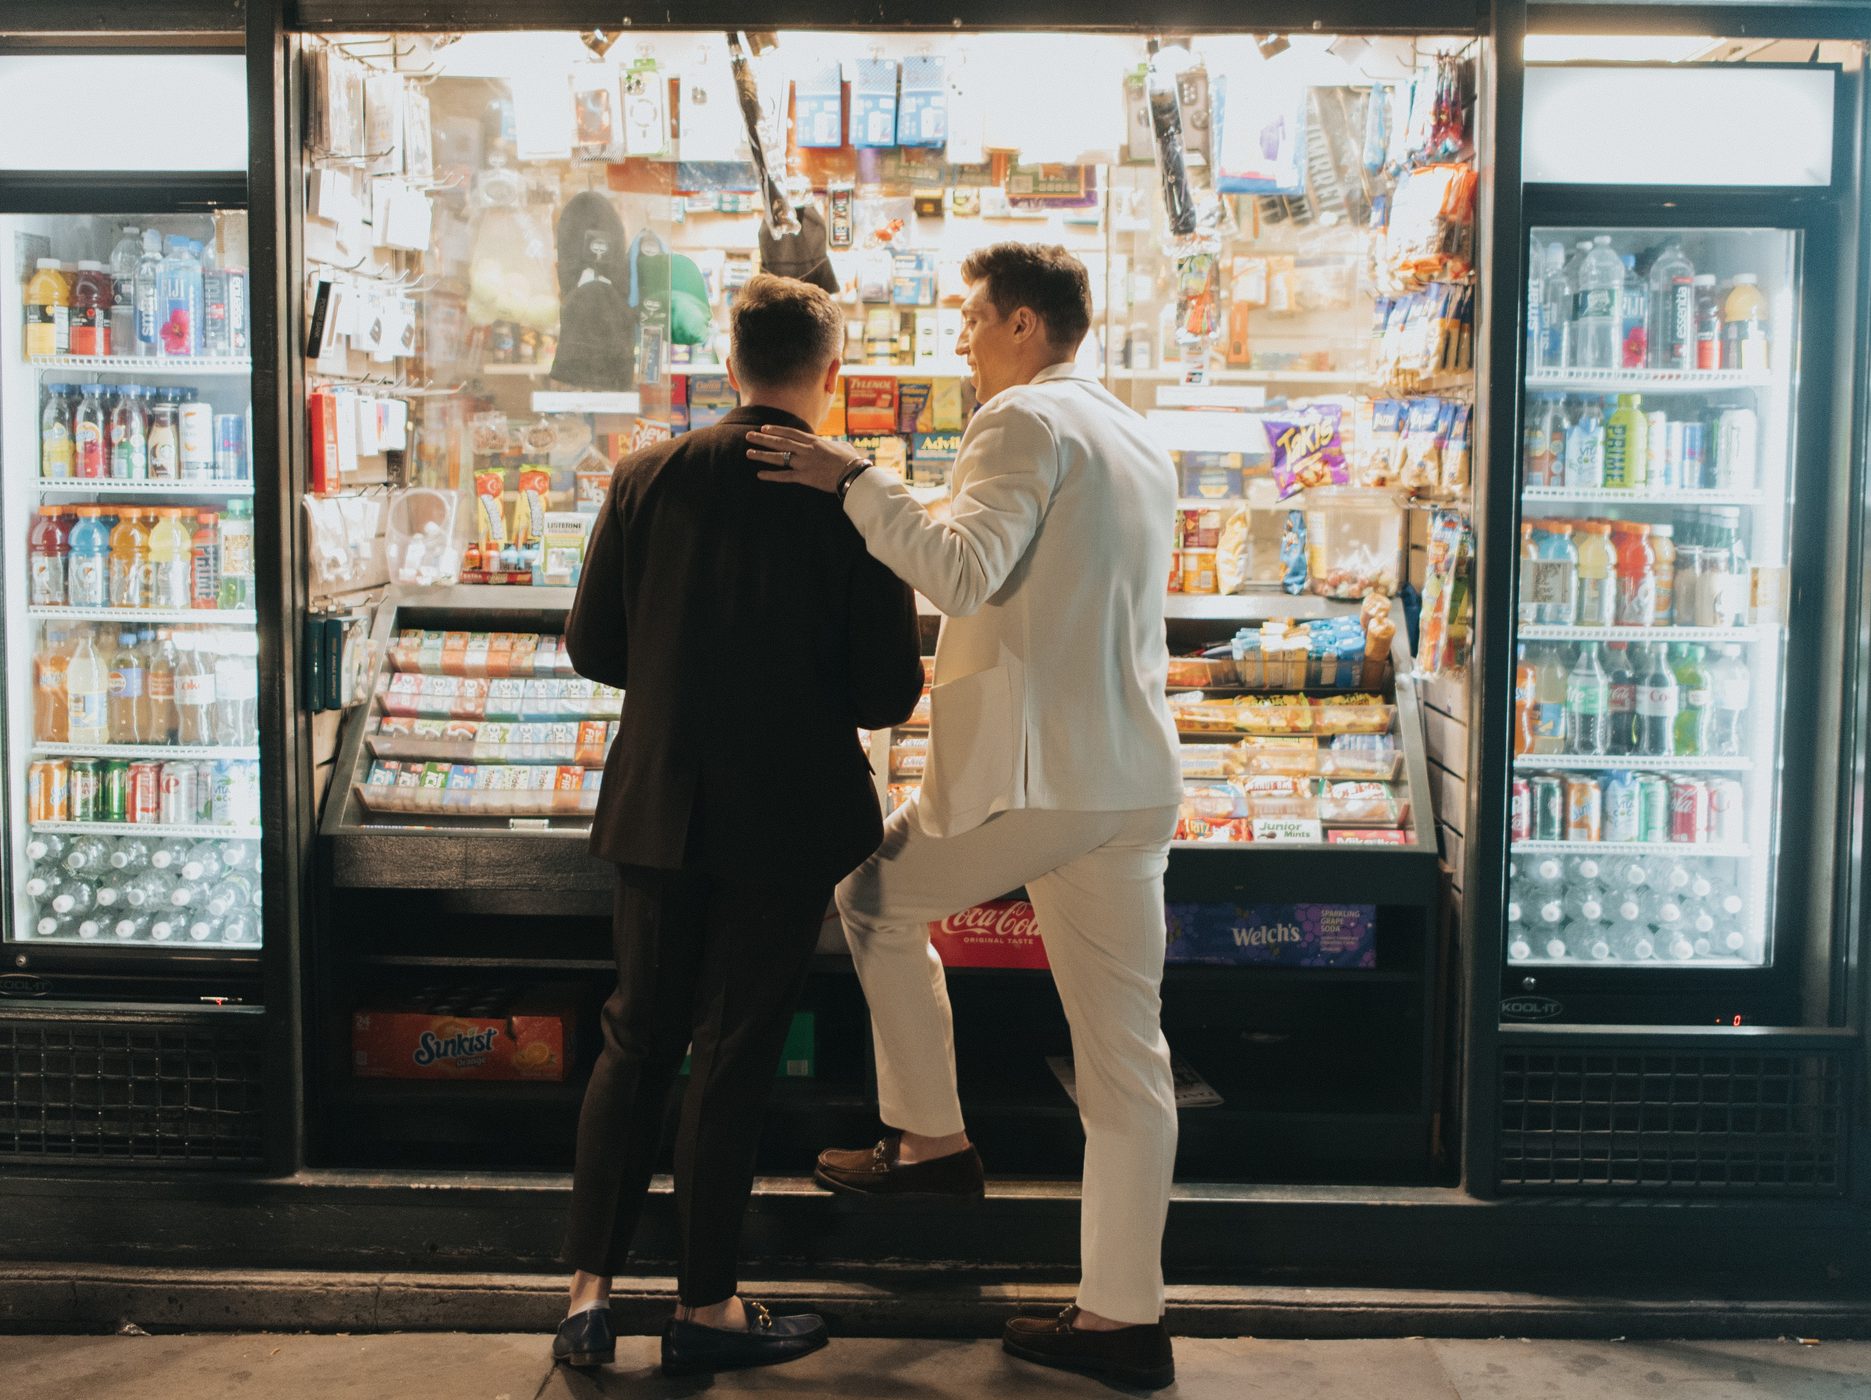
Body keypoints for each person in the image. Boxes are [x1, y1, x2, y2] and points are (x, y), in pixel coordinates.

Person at [747, 241, 1183, 1391]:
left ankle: (930, 1138)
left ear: (1029, 326)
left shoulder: (1023, 422)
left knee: (872, 896)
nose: (961, 339)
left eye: (974, 319)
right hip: (1130, 779)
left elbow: (959, 568)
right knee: (1128, 1063)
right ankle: (1119, 1319)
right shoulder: (1135, 434)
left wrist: (849, 477)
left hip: (1036, 780)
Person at [558, 273, 924, 1377]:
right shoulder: (854, 494)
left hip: (657, 801)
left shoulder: (645, 472)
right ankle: (705, 1302)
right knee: (730, 1049)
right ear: (829, 374)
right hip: (787, 815)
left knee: (634, 1036)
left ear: (729, 366)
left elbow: (591, 645)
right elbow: (884, 693)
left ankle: (587, 1292)